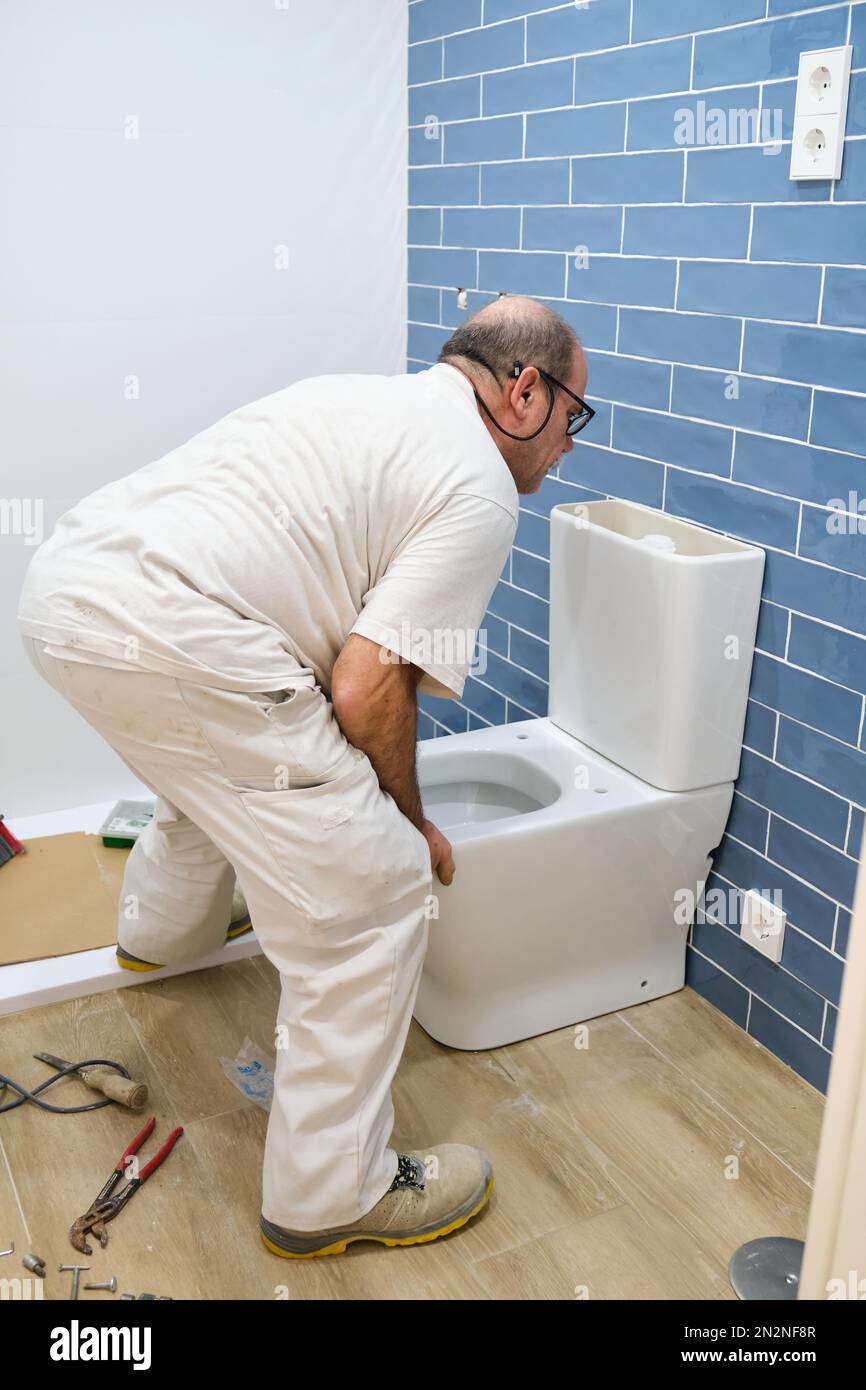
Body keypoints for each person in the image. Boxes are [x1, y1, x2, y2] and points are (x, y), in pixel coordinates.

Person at [17, 295, 591, 1257]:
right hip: (176, 634)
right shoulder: (480, 485)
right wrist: (408, 825)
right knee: (370, 894)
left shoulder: (357, 400)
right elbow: (370, 689)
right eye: (574, 416)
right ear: (524, 391)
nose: (569, 446)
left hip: (66, 595)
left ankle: (163, 935)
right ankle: (334, 1195)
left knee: (209, 776)